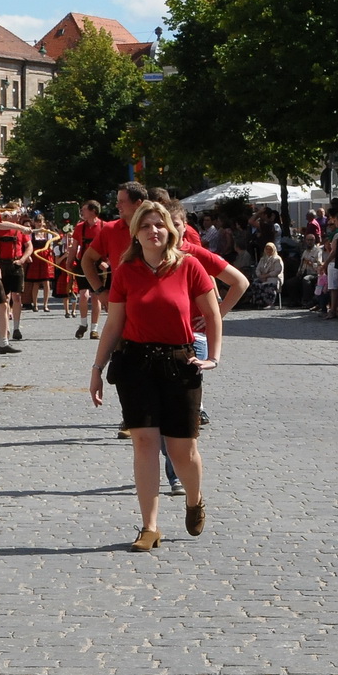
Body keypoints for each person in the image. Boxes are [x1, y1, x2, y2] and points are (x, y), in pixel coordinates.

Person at [88, 201, 220, 552]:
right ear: (136, 233)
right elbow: (114, 324)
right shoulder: (126, 271)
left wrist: (214, 357)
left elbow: (212, 312)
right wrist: (97, 369)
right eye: (146, 226)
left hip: (180, 363)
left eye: (159, 225)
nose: (153, 231)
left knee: (182, 449)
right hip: (136, 364)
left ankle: (194, 500)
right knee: (144, 443)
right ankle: (150, 526)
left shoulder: (189, 266)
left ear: (170, 230)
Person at [80, 184, 149, 342]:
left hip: (155, 303)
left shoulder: (159, 230)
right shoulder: (111, 230)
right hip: (122, 305)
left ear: (138, 203)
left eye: (121, 201)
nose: (117, 205)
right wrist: (100, 291)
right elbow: (87, 260)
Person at [0, 210, 32, 352]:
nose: (16, 216)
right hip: (1, 264)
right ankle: (6, 329)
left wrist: (22, 260)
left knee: (17, 297)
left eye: (17, 214)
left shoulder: (21, 230)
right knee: (4, 298)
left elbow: (29, 247)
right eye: (13, 214)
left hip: (16, 264)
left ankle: (16, 327)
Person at [71, 201, 105, 339]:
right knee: (83, 295)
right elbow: (74, 247)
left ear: (93, 211)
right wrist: (69, 263)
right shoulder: (79, 228)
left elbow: (110, 248)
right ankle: (83, 323)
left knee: (96, 296)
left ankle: (94, 329)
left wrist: (106, 262)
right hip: (82, 264)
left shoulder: (105, 226)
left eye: (84, 210)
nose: (81, 212)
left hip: (99, 264)